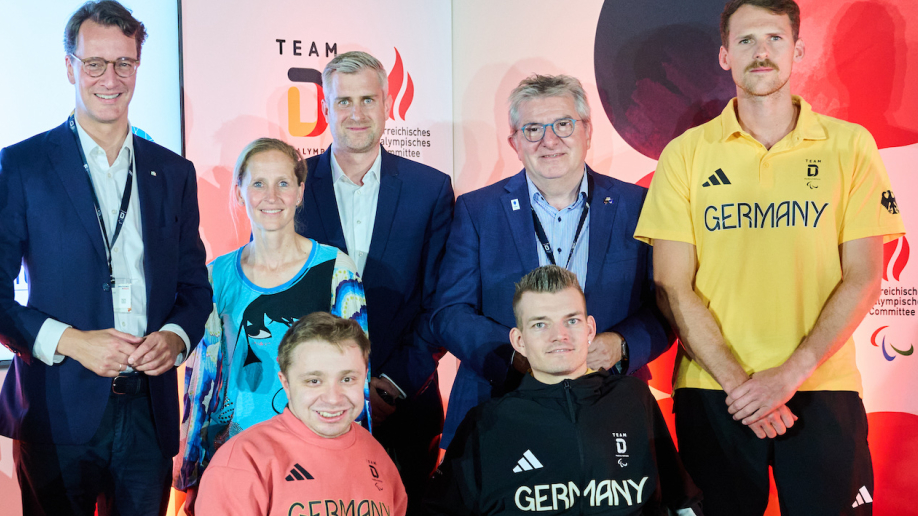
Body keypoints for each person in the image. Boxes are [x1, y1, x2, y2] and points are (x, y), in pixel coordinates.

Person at [634, 0, 905, 513]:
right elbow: (672, 284)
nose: (761, 53)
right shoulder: (686, 154)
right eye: (745, 41)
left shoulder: (850, 147)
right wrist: (742, 386)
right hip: (715, 392)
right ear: (723, 56)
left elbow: (865, 276)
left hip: (822, 386)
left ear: (798, 49)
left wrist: (788, 376)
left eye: (775, 39)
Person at [0, 2, 213, 514]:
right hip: (57, 412)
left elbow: (195, 289)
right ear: (70, 66)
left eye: (124, 63)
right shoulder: (26, 165)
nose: (110, 78)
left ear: (138, 66)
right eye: (95, 63)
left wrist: (177, 336)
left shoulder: (174, 172)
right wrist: (72, 342)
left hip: (149, 412)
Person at [431, 73, 671, 449]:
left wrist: (621, 345)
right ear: (514, 142)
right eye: (532, 129)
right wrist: (518, 357)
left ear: (587, 132)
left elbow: (665, 305)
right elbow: (449, 311)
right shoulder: (477, 210)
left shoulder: (637, 206)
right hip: (499, 407)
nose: (549, 141)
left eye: (563, 124)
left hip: (608, 406)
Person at [294, 50, 453, 507]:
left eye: (368, 99)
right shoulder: (291, 185)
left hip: (405, 408)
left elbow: (440, 302)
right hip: (309, 409)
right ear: (325, 109)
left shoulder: (431, 189)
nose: (357, 113)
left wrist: (394, 385)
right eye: (344, 101)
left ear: (388, 104)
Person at [177, 138, 368, 504]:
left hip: (315, 456)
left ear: (300, 191)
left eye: (283, 183)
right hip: (232, 458)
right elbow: (203, 379)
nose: (271, 196)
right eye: (258, 184)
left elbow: (356, 376)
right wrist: (193, 470)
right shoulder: (216, 276)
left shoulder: (336, 269)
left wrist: (355, 459)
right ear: (239, 193)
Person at [428, 266, 701, 516]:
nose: (559, 335)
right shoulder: (487, 423)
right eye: (540, 324)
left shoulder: (633, 399)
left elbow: (684, 503)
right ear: (519, 341)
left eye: (571, 321)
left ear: (590, 329)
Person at [195, 312, 407, 516]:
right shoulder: (242, 462)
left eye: (347, 379)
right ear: (285, 384)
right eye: (314, 381)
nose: (333, 398)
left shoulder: (378, 457)